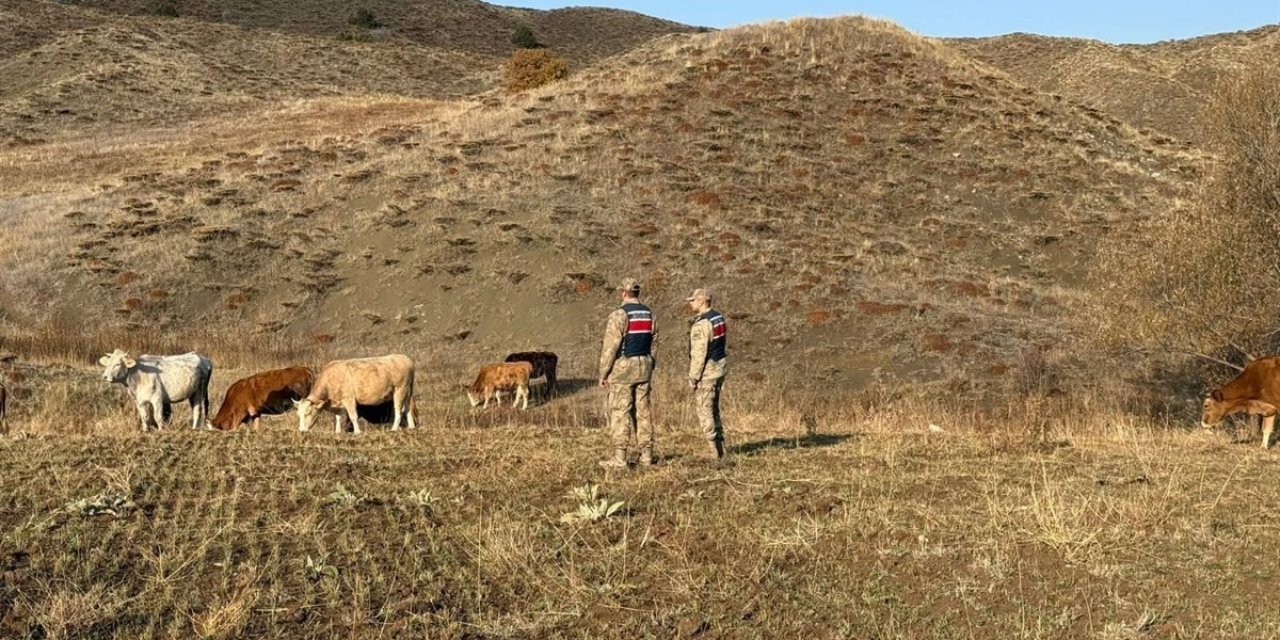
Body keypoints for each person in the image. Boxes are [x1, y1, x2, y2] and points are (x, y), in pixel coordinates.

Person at [598, 277, 657, 468]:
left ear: (623, 293)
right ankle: (647, 455)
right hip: (644, 365)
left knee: (620, 411)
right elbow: (654, 343)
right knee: (643, 411)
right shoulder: (649, 314)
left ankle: (620, 457)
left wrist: (603, 373)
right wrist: (651, 363)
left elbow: (610, 347)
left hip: (623, 368)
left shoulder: (619, 315)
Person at [686, 288, 728, 463]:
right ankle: (721, 448)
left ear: (702, 301)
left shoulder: (702, 324)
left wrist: (693, 378)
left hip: (707, 373)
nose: (690, 303)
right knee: (714, 409)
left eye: (693, 300)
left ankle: (713, 452)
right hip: (719, 368)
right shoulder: (718, 317)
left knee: (705, 411)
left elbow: (699, 354)